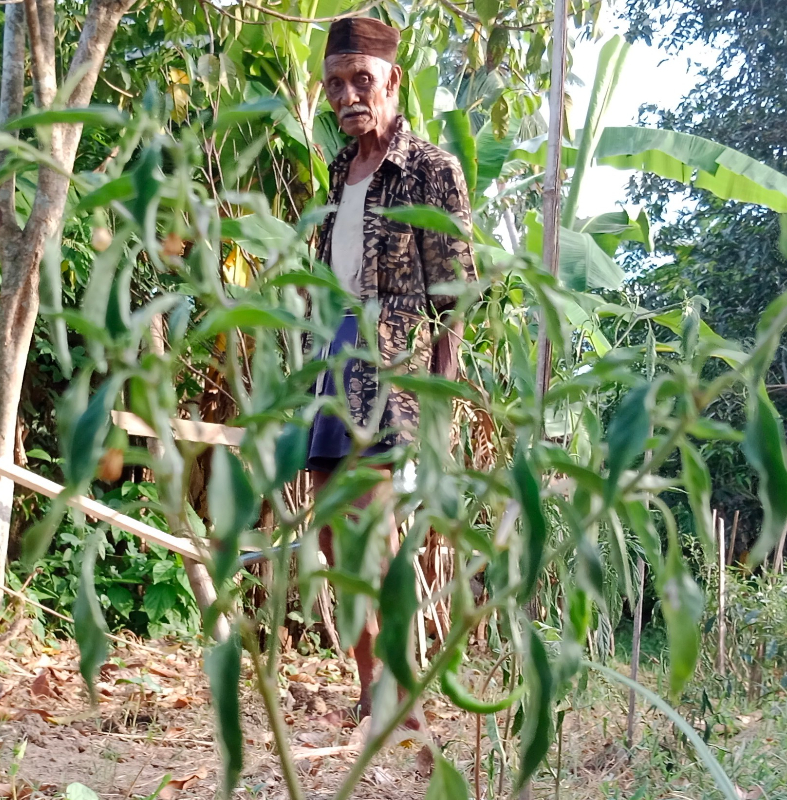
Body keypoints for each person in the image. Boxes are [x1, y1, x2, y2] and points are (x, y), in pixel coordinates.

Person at [307, 15, 475, 767]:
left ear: (392, 81)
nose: (348, 95)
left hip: (395, 366)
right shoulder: (340, 171)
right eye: (336, 82)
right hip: (334, 362)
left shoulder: (431, 169)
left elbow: (457, 294)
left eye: (361, 80)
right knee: (335, 542)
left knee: (374, 539)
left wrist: (437, 399)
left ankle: (397, 708)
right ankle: (375, 697)